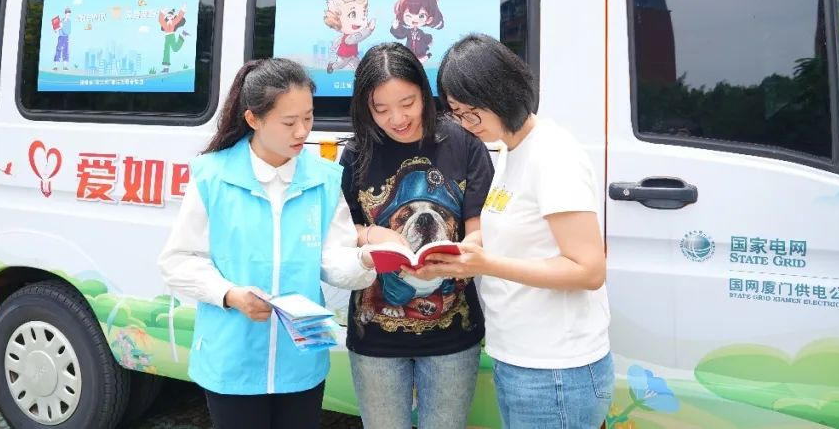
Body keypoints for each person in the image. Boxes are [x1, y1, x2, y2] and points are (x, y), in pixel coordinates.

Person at [158, 58, 376, 429]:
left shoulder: (323, 180)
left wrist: (365, 261)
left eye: (308, 117)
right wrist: (230, 294)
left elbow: (334, 260)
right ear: (253, 119)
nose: (302, 131)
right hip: (232, 359)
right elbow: (178, 261)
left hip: (301, 360)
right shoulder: (213, 176)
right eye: (289, 122)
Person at [416, 33, 613, 428]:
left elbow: (589, 269)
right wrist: (464, 251)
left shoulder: (553, 155)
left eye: (471, 113)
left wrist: (486, 264)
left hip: (555, 370)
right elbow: (513, 235)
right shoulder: (511, 149)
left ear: (501, 94)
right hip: (521, 359)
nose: (465, 125)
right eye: (457, 113)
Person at [341, 42, 493, 429]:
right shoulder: (357, 152)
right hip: (375, 335)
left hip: (452, 334)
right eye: (381, 109)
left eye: (407, 103)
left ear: (424, 93)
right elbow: (342, 229)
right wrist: (372, 233)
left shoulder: (463, 143)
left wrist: (461, 255)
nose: (397, 118)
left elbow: (480, 228)